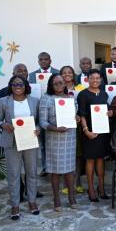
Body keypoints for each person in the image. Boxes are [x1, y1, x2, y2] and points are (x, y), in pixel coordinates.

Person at [0, 75, 41, 219]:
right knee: (14, 174)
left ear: (26, 85)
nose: (18, 87)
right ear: (10, 86)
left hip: (29, 141)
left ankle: (32, 201)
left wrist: (38, 128)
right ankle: (15, 204)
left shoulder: (34, 101)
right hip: (11, 141)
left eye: (20, 84)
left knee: (31, 172)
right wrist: (3, 125)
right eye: (14, 84)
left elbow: (39, 121)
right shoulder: (3, 102)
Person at [39, 74, 78, 211]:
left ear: (65, 84)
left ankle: (71, 197)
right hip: (54, 138)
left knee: (69, 169)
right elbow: (42, 121)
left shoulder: (71, 98)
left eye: (61, 83)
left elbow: (75, 115)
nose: (59, 85)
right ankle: (57, 198)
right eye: (55, 83)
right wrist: (54, 129)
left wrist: (77, 118)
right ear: (51, 85)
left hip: (69, 137)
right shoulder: (46, 99)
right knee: (55, 170)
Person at [77, 69, 113, 202]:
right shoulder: (83, 94)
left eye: (98, 78)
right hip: (90, 132)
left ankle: (101, 187)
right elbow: (82, 114)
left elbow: (106, 109)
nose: (95, 80)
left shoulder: (104, 93)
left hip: (103, 132)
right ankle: (91, 188)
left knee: (100, 159)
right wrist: (86, 131)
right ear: (87, 79)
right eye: (93, 78)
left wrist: (110, 113)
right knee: (90, 160)